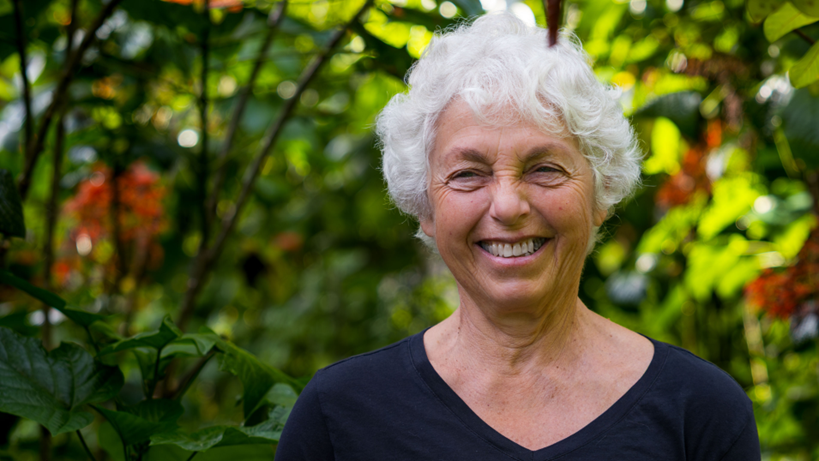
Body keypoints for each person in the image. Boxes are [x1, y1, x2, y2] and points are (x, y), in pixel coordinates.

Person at [275, 13, 760, 460]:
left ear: (601, 192)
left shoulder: (700, 412)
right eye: (468, 174)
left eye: (545, 168)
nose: (507, 206)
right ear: (424, 206)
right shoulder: (339, 416)